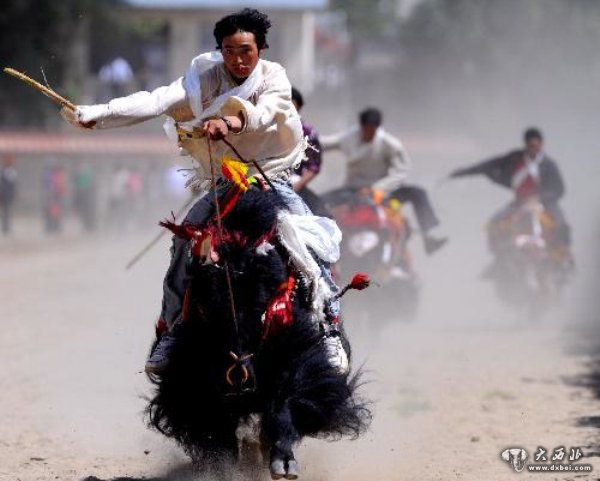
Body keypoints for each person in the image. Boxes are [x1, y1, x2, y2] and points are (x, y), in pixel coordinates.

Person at [61, 9, 345, 375]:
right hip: (225, 182)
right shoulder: (202, 76)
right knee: (184, 244)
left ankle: (329, 329)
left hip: (273, 175)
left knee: (309, 242)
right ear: (219, 50)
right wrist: (96, 114)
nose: (238, 60)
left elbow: (263, 113)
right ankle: (171, 331)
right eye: (229, 51)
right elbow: (156, 101)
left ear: (261, 48)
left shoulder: (275, 76)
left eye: (246, 51)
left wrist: (229, 121)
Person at [321, 107, 447, 255]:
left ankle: (428, 237)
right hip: (353, 192)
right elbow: (323, 143)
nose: (369, 133)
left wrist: (377, 188)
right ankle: (319, 243)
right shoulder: (349, 138)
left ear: (378, 128)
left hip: (384, 192)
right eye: (366, 129)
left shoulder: (390, 144)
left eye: (372, 130)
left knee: (418, 193)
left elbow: (401, 170)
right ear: (361, 127)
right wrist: (302, 136)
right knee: (318, 202)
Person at [450, 127, 571, 264]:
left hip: (545, 204)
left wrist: (539, 198)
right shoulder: (515, 158)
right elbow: (490, 164)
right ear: (526, 145)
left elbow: (559, 189)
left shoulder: (549, 165)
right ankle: (500, 258)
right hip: (520, 203)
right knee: (494, 223)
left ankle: (564, 258)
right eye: (531, 146)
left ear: (541, 144)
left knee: (560, 224)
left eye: (536, 146)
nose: (534, 149)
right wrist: (464, 172)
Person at [290, 87, 331, 218]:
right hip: (262, 181)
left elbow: (314, 166)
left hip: (294, 183)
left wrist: (298, 185)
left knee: (324, 217)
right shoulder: (264, 127)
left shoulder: (308, 133)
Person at [0, 154, 17, 236]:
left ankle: (6, 226)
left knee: (7, 211)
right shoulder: (4, 170)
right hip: (3, 194)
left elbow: (12, 185)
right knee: (5, 211)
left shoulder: (11, 171)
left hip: (8, 195)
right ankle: (5, 226)